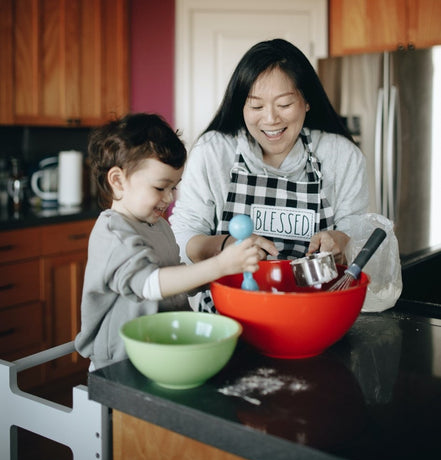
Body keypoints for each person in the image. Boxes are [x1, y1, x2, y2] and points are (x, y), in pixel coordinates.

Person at [169, 39, 369, 312]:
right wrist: (226, 245)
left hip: (314, 313)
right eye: (256, 106)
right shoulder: (215, 152)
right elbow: (183, 237)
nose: (271, 119)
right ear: (241, 106)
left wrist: (340, 239)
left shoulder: (340, 156)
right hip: (225, 315)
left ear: (307, 102)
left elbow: (358, 230)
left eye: (284, 104)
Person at [75, 113, 259, 369]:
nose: (170, 198)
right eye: (160, 187)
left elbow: (174, 281)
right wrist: (220, 266)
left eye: (174, 187)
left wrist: (225, 273)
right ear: (118, 181)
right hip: (120, 363)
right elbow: (149, 285)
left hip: (160, 351)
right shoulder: (113, 234)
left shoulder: (159, 225)